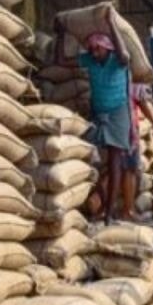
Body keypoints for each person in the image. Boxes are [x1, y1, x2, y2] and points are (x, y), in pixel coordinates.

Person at [55, 19, 130, 223]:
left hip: (118, 112)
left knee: (115, 160)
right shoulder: (89, 60)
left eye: (98, 48)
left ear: (107, 47)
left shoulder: (118, 60)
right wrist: (61, 34)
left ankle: (109, 213)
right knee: (88, 156)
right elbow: (61, 61)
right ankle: (103, 203)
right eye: (91, 48)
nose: (94, 52)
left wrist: (110, 22)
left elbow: (125, 55)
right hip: (98, 113)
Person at [121, 83, 153, 221]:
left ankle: (102, 206)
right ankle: (128, 211)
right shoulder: (133, 77)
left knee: (118, 167)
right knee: (130, 169)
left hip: (115, 124)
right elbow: (142, 101)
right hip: (129, 129)